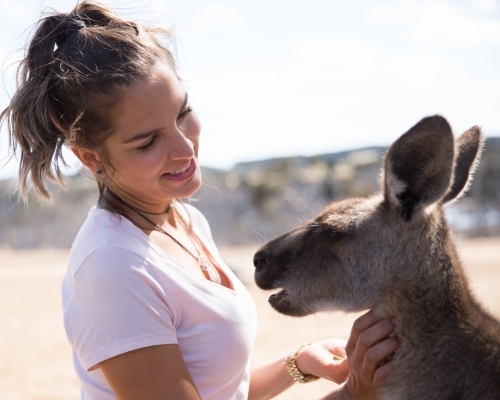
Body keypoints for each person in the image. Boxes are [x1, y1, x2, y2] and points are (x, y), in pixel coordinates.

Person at [1, 1, 399, 399]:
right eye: (148, 142)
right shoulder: (112, 270)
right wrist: (354, 394)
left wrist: (296, 364)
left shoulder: (183, 221)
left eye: (182, 113)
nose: (183, 148)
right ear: (89, 158)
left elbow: (220, 389)